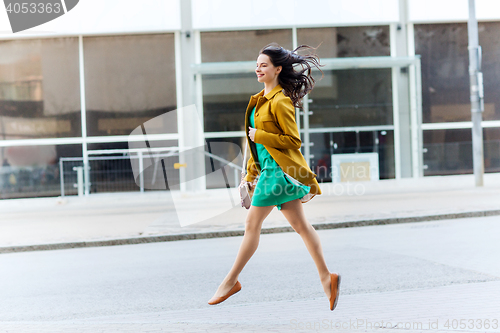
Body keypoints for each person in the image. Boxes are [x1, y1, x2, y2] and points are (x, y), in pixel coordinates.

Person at [207, 43, 341, 311]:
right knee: (302, 227)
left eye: (264, 64)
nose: (258, 68)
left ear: (278, 69)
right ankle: (327, 279)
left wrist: (261, 135)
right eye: (257, 64)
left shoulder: (280, 101)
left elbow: (293, 140)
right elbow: (255, 148)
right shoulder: (258, 101)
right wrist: (249, 175)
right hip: (268, 172)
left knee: (251, 225)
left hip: (279, 174)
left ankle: (230, 282)